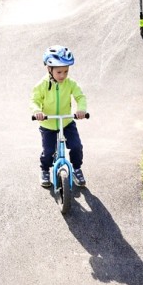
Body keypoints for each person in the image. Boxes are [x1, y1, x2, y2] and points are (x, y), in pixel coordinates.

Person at [30, 45, 88, 188]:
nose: (63, 75)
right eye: (59, 72)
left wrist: (81, 109)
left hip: (67, 122)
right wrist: (37, 111)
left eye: (66, 71)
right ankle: (45, 170)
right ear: (49, 69)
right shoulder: (42, 85)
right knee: (49, 151)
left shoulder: (70, 84)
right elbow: (34, 100)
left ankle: (76, 169)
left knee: (76, 146)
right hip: (48, 124)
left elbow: (80, 97)